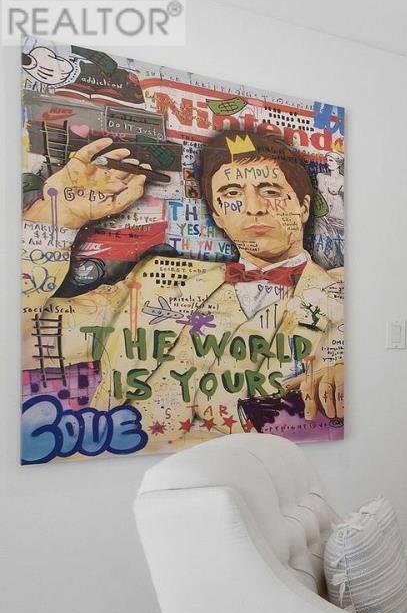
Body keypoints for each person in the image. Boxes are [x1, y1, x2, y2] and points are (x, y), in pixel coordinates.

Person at [20, 129, 345, 453]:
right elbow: (23, 340)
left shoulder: (345, 297)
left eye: (270, 191)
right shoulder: (154, 281)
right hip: (120, 472)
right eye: (232, 193)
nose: (253, 207)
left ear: (303, 207)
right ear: (218, 216)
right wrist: (60, 216)